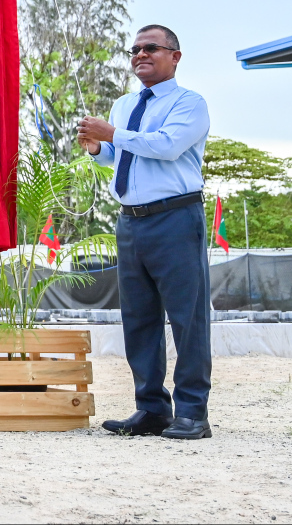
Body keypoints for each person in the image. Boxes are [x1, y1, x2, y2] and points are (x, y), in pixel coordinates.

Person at [76, 24, 212, 440]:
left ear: (175, 56)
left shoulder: (189, 103)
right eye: (134, 49)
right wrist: (98, 147)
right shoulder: (123, 105)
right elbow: (118, 155)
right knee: (139, 318)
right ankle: (152, 409)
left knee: (187, 318)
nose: (140, 55)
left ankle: (193, 413)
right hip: (130, 220)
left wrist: (112, 134)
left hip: (176, 218)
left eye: (151, 47)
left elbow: (165, 146)